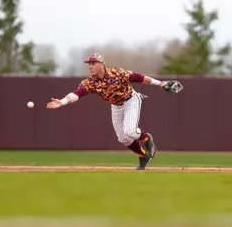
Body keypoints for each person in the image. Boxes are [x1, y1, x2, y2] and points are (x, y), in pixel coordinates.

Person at [46, 53, 183, 170]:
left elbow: (139, 78)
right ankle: (142, 155)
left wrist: (160, 84)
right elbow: (77, 94)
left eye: (93, 63)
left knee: (130, 131)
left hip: (131, 100)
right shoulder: (90, 82)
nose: (90, 66)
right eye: (89, 64)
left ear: (101, 64)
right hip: (116, 106)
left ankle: (147, 138)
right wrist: (62, 101)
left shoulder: (117, 73)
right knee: (123, 138)